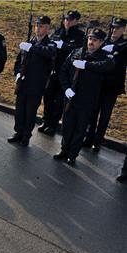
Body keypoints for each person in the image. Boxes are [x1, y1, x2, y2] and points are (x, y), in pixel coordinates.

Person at [53, 28, 114, 165]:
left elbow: (107, 66)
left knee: (80, 129)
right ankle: (64, 149)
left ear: (102, 43)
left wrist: (86, 64)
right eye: (90, 39)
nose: (91, 42)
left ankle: (72, 155)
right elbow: (63, 71)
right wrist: (66, 88)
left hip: (87, 99)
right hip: (71, 96)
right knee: (67, 126)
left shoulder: (104, 57)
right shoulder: (77, 52)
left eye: (95, 40)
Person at [7, 16, 57, 146]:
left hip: (36, 84)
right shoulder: (30, 42)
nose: (38, 28)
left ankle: (26, 136)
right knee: (19, 110)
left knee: (30, 112)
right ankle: (18, 132)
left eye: (41, 26)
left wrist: (31, 48)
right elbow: (19, 61)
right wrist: (17, 73)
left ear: (47, 28)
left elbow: (49, 53)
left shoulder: (50, 43)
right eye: (37, 26)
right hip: (23, 82)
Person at [83, 17, 127, 152]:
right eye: (113, 27)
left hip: (112, 86)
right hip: (98, 83)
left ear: (124, 29)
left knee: (105, 115)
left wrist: (115, 48)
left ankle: (98, 141)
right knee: (93, 112)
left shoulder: (124, 44)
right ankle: (88, 137)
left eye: (118, 28)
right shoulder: (104, 41)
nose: (114, 30)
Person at [39, 10, 85, 136]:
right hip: (53, 70)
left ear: (76, 21)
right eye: (66, 19)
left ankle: (53, 124)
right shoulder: (58, 32)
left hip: (66, 72)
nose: (67, 22)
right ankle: (46, 121)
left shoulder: (80, 36)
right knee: (48, 97)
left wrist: (64, 46)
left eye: (70, 19)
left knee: (59, 100)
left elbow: (79, 50)